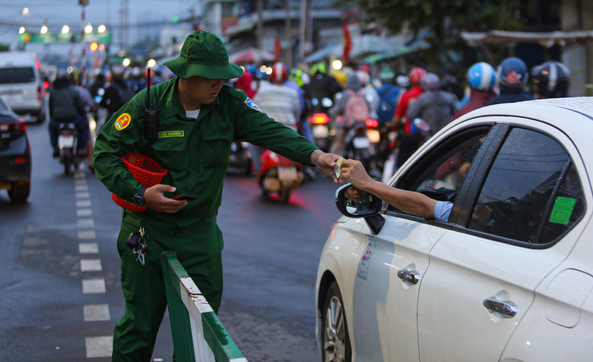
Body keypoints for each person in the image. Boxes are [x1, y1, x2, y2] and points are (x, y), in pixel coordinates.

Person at [93, 31, 341, 361]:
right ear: (185, 74)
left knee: (201, 331)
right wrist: (140, 193)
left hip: (200, 236)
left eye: (223, 77)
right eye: (211, 78)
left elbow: (270, 131)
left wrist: (314, 155)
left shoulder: (230, 105)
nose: (219, 84)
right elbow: (105, 153)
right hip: (147, 232)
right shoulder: (147, 106)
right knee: (139, 326)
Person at [48, 73, 90, 157]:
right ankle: (81, 149)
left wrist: (53, 118)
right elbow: (80, 107)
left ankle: (56, 148)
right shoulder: (73, 91)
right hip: (72, 118)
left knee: (51, 128)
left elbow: (51, 107)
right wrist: (84, 116)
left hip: (57, 119)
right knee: (85, 126)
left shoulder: (53, 92)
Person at [329, 74, 370, 154]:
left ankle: (332, 162)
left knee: (339, 143)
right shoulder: (363, 94)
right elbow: (370, 108)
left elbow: (337, 109)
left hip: (348, 125)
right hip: (363, 124)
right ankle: (373, 162)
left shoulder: (345, 95)